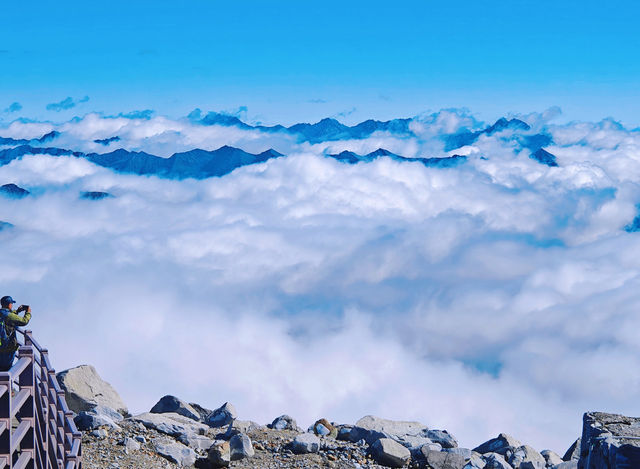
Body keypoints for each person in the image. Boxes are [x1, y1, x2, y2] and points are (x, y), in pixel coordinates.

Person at [0, 296, 32, 371]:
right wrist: (28, 313)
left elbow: (8, 315)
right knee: (5, 372)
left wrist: (17, 311)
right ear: (9, 304)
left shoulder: (2, 313)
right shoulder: (9, 316)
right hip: (7, 350)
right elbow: (24, 321)